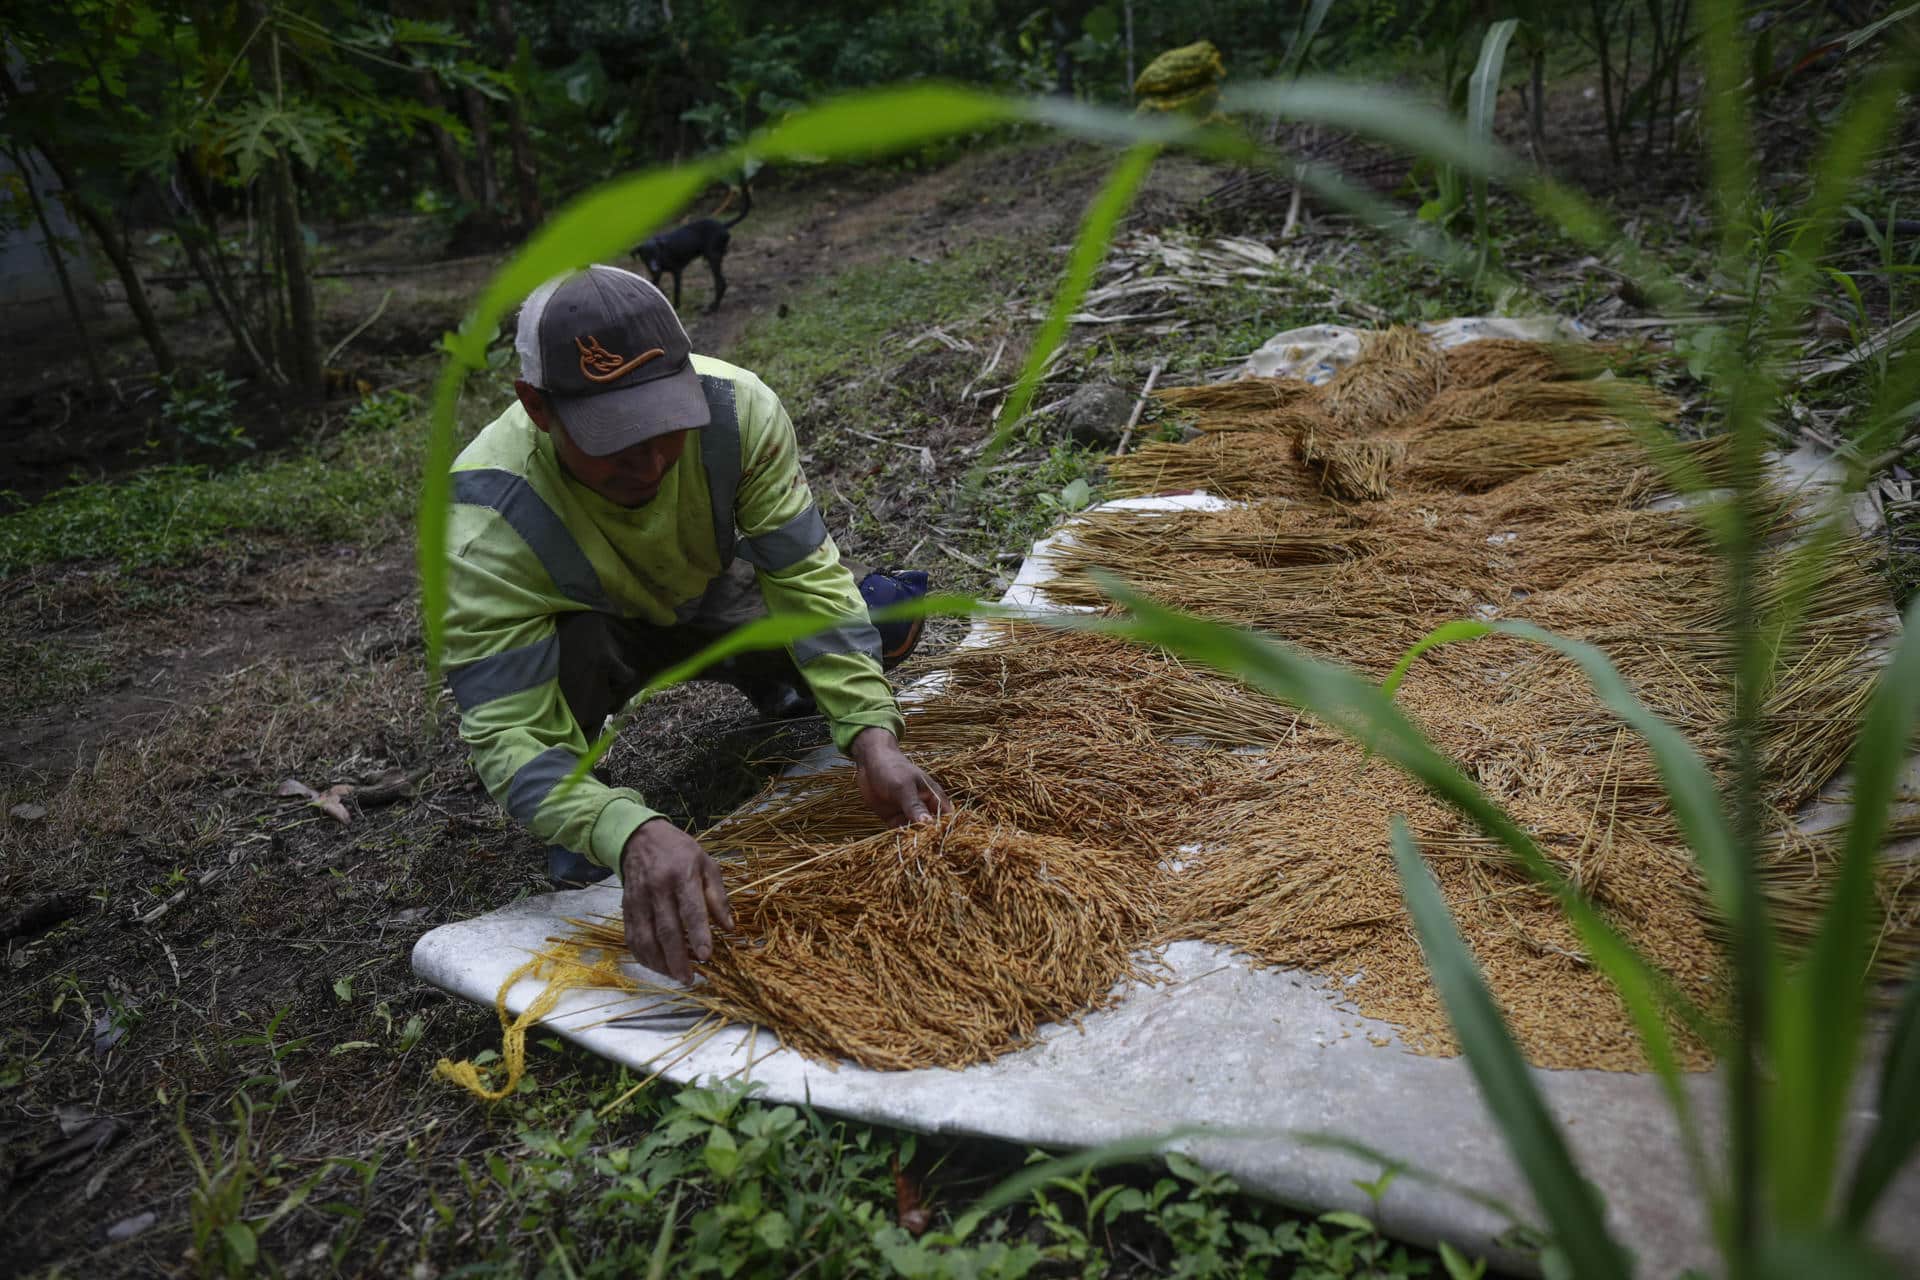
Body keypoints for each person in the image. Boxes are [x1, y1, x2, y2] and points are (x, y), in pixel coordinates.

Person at [442, 264, 951, 982]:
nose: (648, 461)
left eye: (663, 427)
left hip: (706, 594)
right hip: (592, 636)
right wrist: (628, 832)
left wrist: (871, 732)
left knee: (879, 622)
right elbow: (507, 730)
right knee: (569, 687)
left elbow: (806, 578)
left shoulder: (738, 411)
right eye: (612, 439)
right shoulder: (484, 520)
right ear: (537, 406)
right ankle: (584, 815)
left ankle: (774, 682)